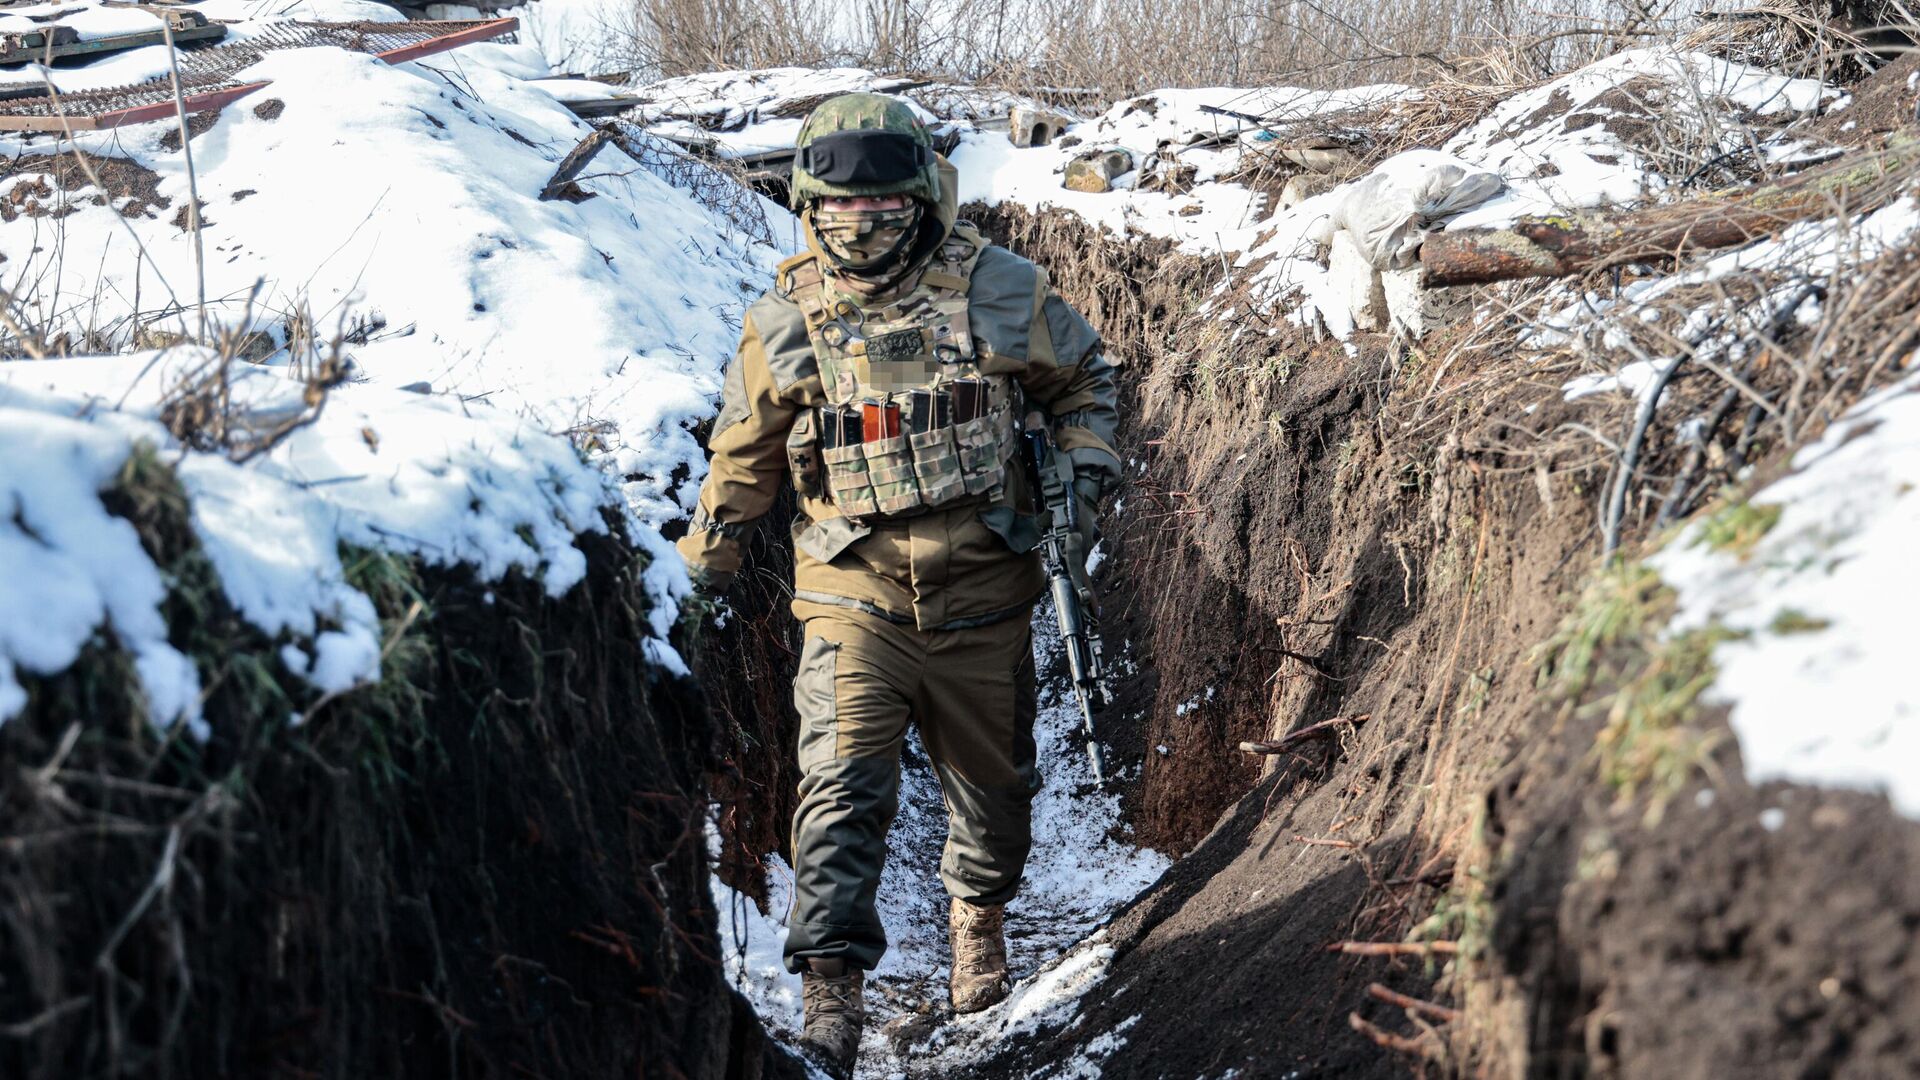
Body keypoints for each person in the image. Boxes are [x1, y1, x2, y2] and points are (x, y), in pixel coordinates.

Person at [675, 91, 1119, 1079]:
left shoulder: (999, 291)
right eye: (840, 214)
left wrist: (1084, 472)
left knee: (994, 791)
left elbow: (1086, 379)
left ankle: (977, 924)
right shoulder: (786, 321)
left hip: (984, 593)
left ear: (922, 201)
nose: (862, 232)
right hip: (850, 595)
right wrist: (688, 586)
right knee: (837, 788)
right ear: (808, 208)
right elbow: (738, 468)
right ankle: (831, 996)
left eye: (882, 213)